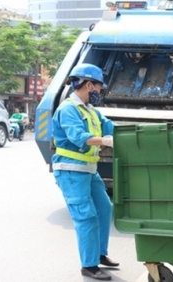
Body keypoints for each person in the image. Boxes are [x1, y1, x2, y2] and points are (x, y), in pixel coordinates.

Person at [52, 63, 118, 281]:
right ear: (89, 84)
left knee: (104, 209)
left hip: (88, 170)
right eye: (99, 87)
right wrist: (105, 141)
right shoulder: (68, 109)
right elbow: (78, 137)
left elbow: (111, 127)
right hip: (71, 171)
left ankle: (99, 253)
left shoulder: (91, 110)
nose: (100, 92)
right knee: (86, 217)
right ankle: (89, 266)